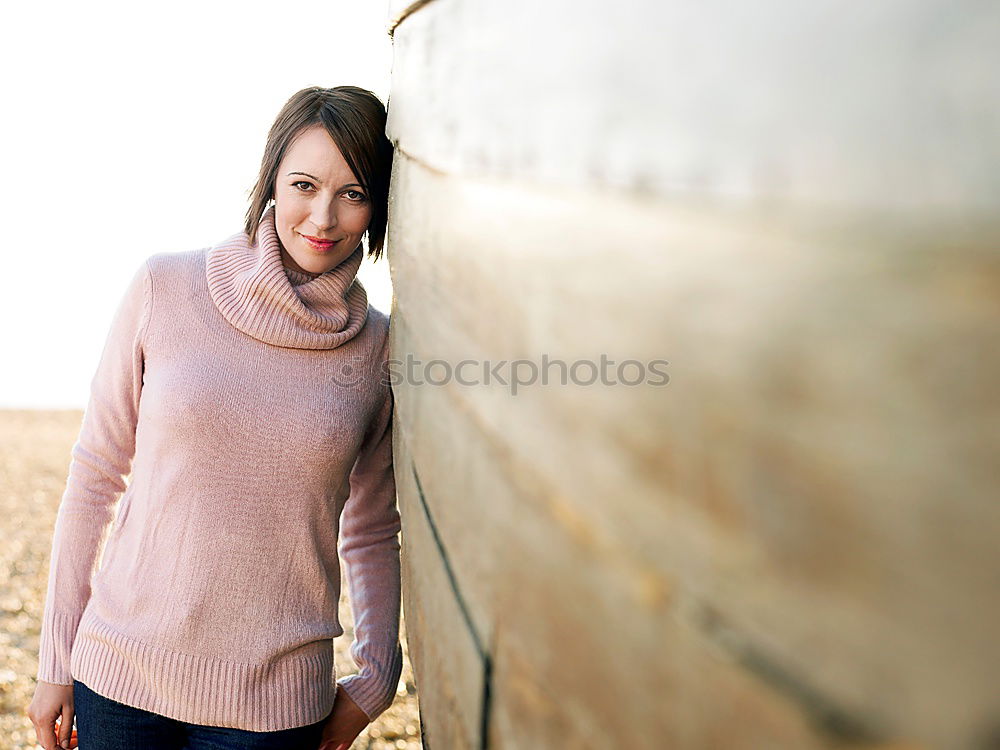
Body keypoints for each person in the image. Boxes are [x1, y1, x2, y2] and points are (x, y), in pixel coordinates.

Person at [27, 85, 402, 750]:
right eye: (305, 185)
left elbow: (371, 528)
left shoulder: (379, 349)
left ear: (380, 206)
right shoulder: (164, 287)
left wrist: (376, 677)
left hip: (277, 712)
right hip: (119, 684)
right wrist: (56, 661)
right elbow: (93, 479)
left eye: (353, 192)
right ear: (270, 185)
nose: (323, 215)